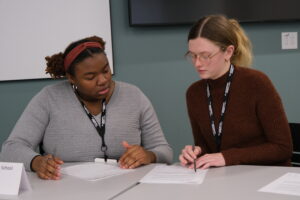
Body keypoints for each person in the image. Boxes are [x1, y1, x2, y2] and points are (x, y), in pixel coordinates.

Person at [0, 36, 173, 180]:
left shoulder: (134, 96)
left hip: (126, 188)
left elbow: (164, 150)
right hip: (64, 191)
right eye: (90, 77)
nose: (103, 80)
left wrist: (149, 155)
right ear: (71, 78)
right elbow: (10, 149)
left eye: (106, 70)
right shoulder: (49, 98)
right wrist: (37, 162)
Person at [179, 15, 292, 170]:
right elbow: (208, 147)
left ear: (228, 52)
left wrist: (227, 157)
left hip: (266, 176)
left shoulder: (257, 83)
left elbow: (282, 148)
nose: (198, 63)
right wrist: (196, 153)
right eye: (193, 55)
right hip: (226, 178)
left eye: (205, 56)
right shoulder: (194, 93)